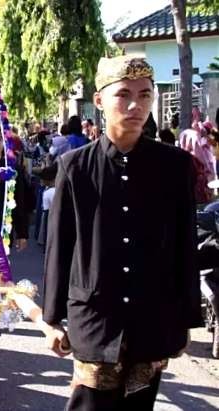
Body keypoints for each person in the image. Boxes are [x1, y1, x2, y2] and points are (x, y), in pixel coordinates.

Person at [43, 56, 202, 410]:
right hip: (95, 316)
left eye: (145, 95)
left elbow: (184, 245)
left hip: (154, 314)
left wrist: (187, 316)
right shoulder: (75, 167)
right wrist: (52, 319)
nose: (136, 105)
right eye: (123, 95)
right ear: (99, 100)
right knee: (89, 404)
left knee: (139, 404)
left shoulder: (174, 166)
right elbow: (60, 247)